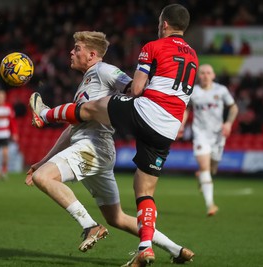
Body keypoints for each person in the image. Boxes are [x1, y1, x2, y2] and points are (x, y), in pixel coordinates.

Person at [29, 4, 197, 266]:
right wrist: (44, 157)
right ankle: (172, 248)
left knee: (46, 174)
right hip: (164, 127)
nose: (72, 52)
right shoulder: (193, 55)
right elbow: (73, 125)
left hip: (97, 144)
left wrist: (140, 88)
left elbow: (133, 87)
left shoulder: (105, 68)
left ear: (163, 23)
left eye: (78, 49)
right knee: (121, 214)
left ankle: (88, 226)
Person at [180, 64, 238, 216]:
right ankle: (210, 205)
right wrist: (182, 124)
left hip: (218, 135)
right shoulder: (194, 92)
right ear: (199, 76)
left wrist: (228, 123)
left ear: (213, 75)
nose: (205, 75)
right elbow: (187, 109)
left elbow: (233, 108)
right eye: (202, 73)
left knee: (213, 169)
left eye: (208, 73)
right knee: (206, 169)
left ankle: (202, 176)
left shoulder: (221, 90)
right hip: (200, 134)